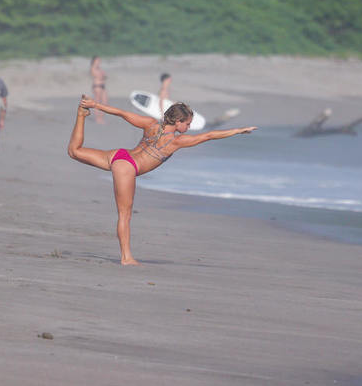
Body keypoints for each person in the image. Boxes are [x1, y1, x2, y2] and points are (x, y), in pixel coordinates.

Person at [69, 95, 257, 265]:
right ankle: (126, 257)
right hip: (127, 167)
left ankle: (81, 115)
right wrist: (239, 130)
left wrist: (94, 105)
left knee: (74, 151)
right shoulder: (175, 142)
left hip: (119, 155)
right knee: (124, 215)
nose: (189, 128)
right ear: (177, 122)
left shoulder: (150, 124)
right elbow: (208, 136)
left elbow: (121, 113)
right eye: (188, 124)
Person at [89, 56, 108, 124]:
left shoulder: (99, 68)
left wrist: (102, 75)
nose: (99, 62)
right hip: (97, 86)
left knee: (104, 103)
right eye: (97, 60)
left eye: (99, 61)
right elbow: (99, 76)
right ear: (94, 61)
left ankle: (101, 117)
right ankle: (98, 118)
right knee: (97, 103)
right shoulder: (93, 68)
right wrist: (102, 75)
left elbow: (105, 76)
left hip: (103, 86)